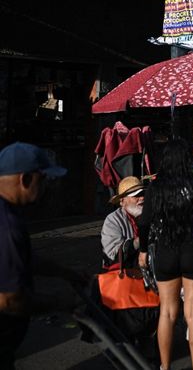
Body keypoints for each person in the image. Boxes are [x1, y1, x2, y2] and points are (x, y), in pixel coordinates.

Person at [138, 139, 193, 370]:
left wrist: (143, 250)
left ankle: (165, 367)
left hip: (166, 250)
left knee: (167, 312)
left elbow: (144, 222)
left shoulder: (156, 188)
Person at [0, 143, 83, 368]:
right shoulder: (7, 226)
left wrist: (66, 273)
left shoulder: (8, 214)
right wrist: (59, 302)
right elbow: (9, 300)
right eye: (44, 179)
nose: (46, 186)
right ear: (25, 179)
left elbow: (21, 258)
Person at [101, 176, 145, 267]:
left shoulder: (151, 214)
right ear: (122, 201)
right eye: (136, 195)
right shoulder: (113, 220)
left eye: (143, 193)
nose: (142, 198)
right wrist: (140, 240)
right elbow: (113, 254)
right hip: (127, 274)